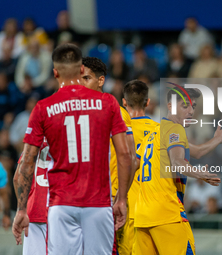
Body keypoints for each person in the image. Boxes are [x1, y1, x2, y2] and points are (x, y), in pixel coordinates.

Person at [12, 44, 132, 255]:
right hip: (98, 203)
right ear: (80, 70)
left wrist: (22, 209)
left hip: (61, 205)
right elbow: (125, 155)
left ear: (55, 72)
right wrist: (121, 199)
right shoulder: (107, 103)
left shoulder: (43, 107)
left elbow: (27, 162)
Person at [133, 87, 222, 254]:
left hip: (142, 217)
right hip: (167, 214)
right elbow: (177, 162)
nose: (191, 111)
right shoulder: (175, 129)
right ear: (170, 106)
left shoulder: (153, 134)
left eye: (193, 106)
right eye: (185, 106)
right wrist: (201, 175)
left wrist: (217, 139)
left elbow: (196, 152)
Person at [81, 56, 137, 255]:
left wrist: (120, 196)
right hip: (81, 199)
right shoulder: (78, 114)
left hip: (107, 200)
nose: (81, 84)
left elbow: (132, 159)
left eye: (86, 78)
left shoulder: (117, 113)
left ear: (101, 81)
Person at [119, 80, 158, 254]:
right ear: (148, 102)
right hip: (154, 212)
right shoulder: (160, 131)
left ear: (124, 102)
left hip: (126, 208)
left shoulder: (118, 132)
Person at [13, 138, 50, 255]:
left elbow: (17, 178)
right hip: (62, 209)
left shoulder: (33, 144)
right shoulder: (67, 140)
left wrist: (22, 209)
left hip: (34, 211)